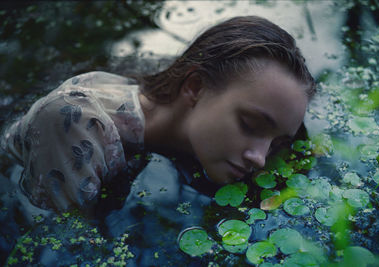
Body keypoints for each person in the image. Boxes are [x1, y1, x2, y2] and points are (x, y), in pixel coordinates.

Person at [0, 16, 316, 213]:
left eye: (275, 144)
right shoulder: (73, 124)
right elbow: (62, 241)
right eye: (250, 124)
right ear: (194, 86)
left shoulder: (179, 100)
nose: (260, 159)